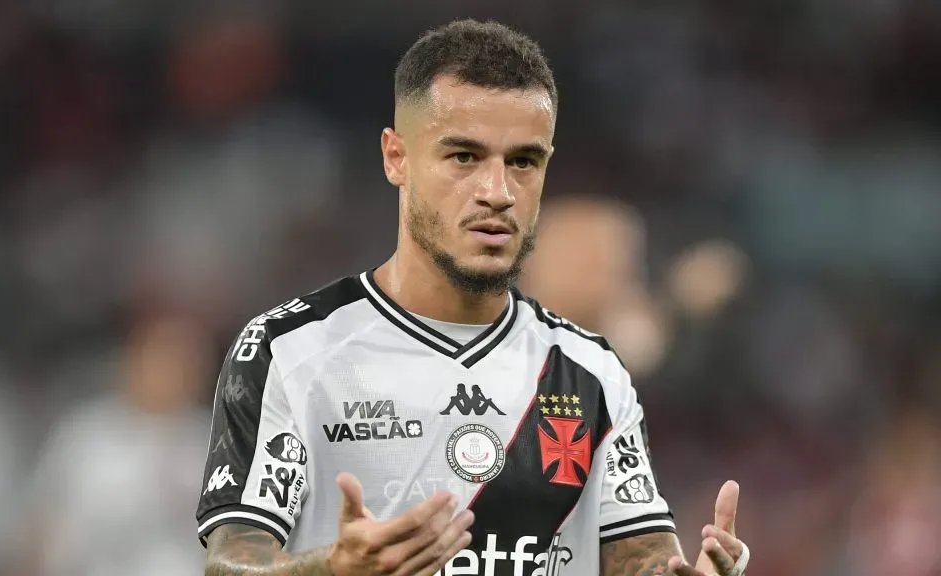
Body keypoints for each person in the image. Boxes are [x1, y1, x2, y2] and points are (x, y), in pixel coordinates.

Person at [196, 19, 751, 576]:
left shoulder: (592, 370)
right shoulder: (288, 351)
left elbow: (642, 557)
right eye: (464, 157)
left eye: (523, 162)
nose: (497, 192)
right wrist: (332, 570)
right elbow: (231, 563)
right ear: (396, 158)